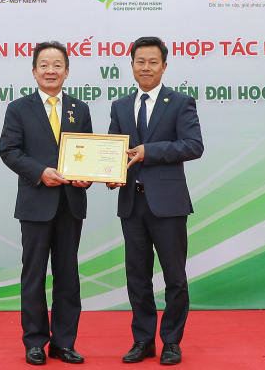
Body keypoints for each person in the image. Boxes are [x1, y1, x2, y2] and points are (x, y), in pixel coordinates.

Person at [106, 36, 204, 365]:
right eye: (139, 61)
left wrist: (151, 152)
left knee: (174, 276)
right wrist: (109, 172)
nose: (145, 67)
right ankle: (144, 340)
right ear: (131, 65)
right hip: (131, 203)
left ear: (164, 66)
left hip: (168, 204)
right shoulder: (120, 106)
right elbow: (114, 150)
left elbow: (193, 145)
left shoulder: (180, 102)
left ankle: (172, 341)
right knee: (137, 276)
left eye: (152, 62)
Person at [0, 41, 92, 366]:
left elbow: (89, 154)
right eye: (44, 65)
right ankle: (35, 342)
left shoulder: (79, 109)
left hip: (70, 204)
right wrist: (40, 172)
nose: (50, 71)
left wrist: (87, 177)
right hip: (36, 202)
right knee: (35, 275)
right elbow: (9, 151)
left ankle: (64, 343)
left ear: (67, 71)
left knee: (68, 275)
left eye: (57, 65)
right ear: (34, 71)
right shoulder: (18, 108)